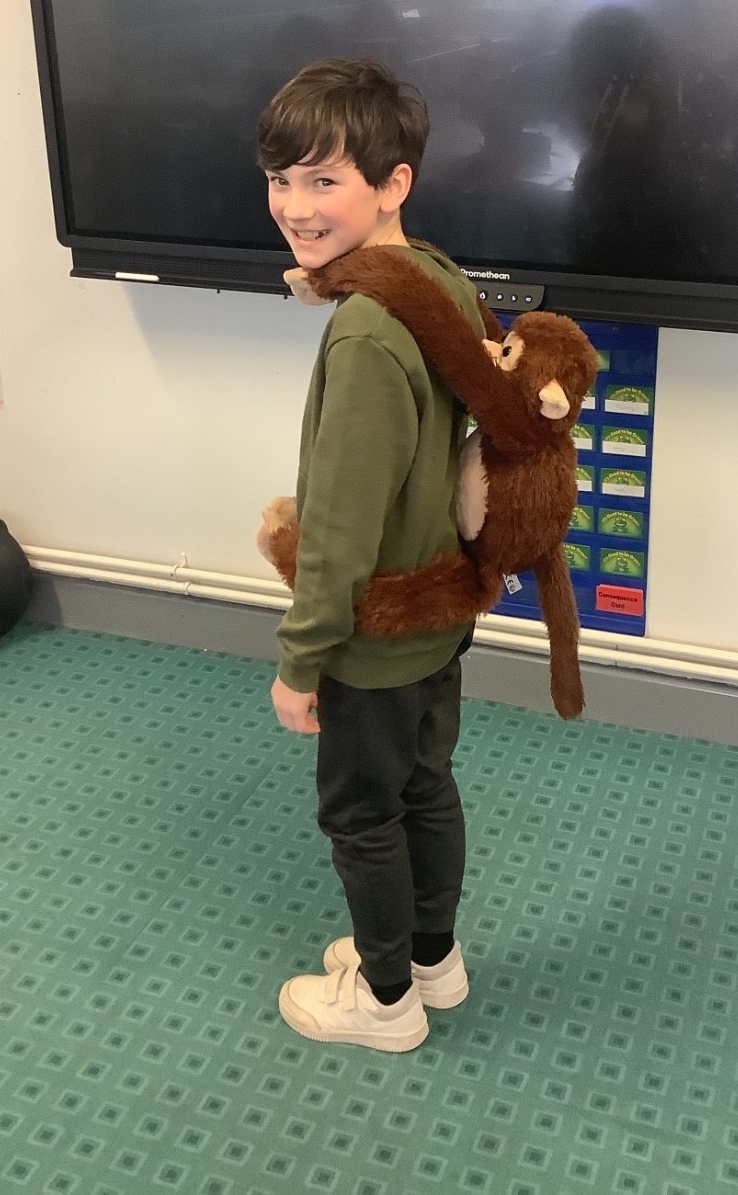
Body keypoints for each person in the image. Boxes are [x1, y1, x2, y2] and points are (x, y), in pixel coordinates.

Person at [255, 57, 484, 1052]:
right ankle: (433, 960)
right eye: (280, 178)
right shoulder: (434, 278)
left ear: (394, 184)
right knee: (424, 785)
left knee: (361, 814)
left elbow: (340, 529)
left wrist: (300, 661)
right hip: (439, 610)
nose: (294, 207)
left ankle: (384, 1000)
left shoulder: (364, 332)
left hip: (373, 635)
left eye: (324, 180)